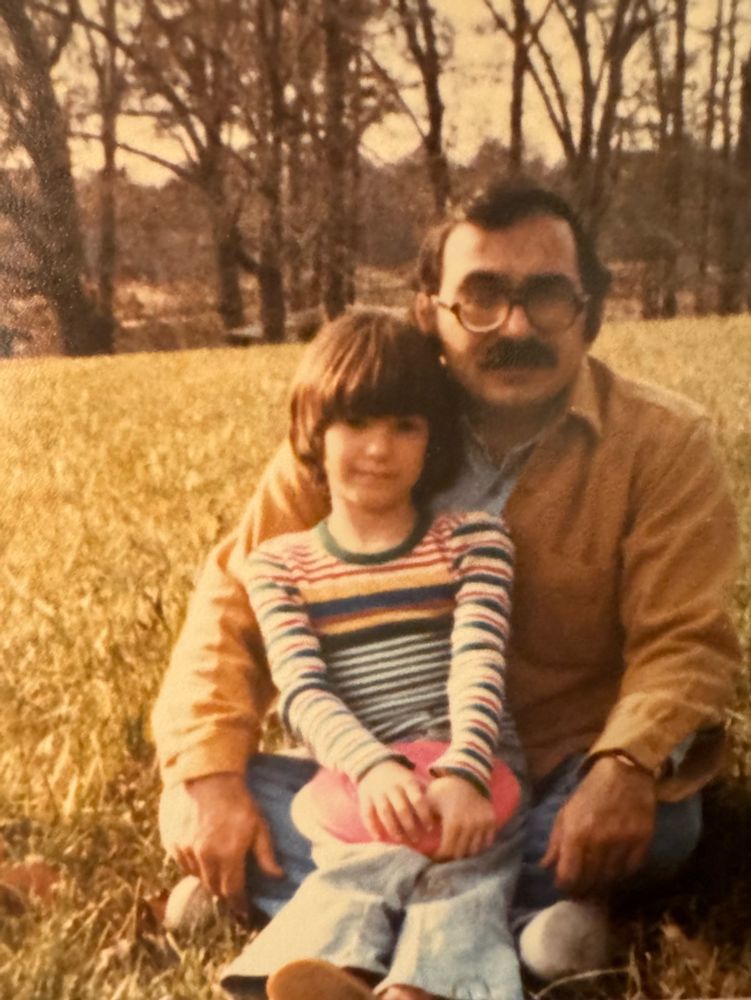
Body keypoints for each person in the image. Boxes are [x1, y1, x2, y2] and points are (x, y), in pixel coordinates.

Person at [153, 178, 742, 988]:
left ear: (591, 309)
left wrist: (625, 769)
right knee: (216, 788)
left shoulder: (662, 446)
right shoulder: (361, 427)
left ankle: (339, 914)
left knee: (665, 822)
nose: (515, 324)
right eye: (481, 298)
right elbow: (232, 605)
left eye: (546, 296)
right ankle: (527, 924)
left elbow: (685, 639)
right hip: (375, 774)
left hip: (558, 774)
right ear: (428, 311)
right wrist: (211, 779)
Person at [219, 310, 525, 1000]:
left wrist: (465, 773)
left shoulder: (473, 540)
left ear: (432, 441)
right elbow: (302, 689)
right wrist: (373, 768)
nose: (378, 449)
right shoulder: (279, 566)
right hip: (359, 781)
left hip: (470, 781)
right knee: (359, 866)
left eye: (404, 427)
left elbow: (478, 660)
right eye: (355, 424)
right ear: (313, 432)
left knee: (461, 876)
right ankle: (317, 978)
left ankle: (426, 990)